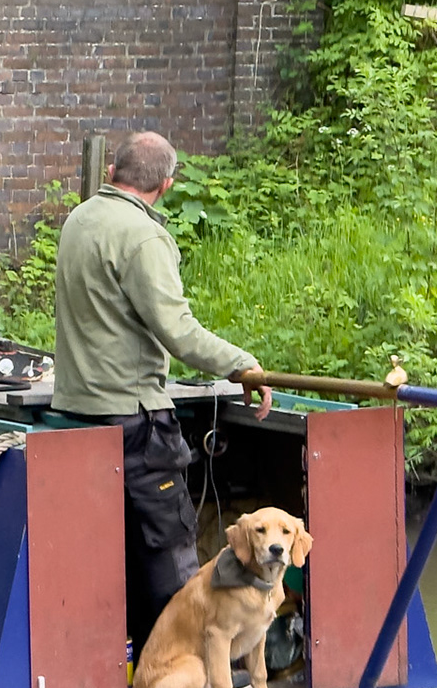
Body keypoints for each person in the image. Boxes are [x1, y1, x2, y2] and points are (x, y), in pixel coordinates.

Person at [50, 131, 273, 650]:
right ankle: (189, 672)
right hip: (134, 420)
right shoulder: (144, 237)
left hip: (78, 414)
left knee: (114, 551)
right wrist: (242, 364)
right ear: (166, 185)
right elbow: (178, 330)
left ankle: (132, 664)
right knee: (170, 551)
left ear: (112, 173)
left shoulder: (79, 220)